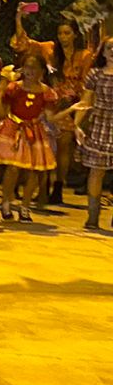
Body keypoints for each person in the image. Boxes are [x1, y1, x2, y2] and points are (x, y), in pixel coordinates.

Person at [0, 53, 60, 223]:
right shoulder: (14, 88)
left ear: (42, 70)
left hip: (34, 130)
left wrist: (71, 111)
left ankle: (25, 206)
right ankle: (6, 203)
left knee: (33, 170)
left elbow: (50, 117)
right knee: (13, 168)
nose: (30, 70)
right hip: (14, 129)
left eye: (34, 67)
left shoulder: (47, 92)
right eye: (27, 66)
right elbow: (2, 111)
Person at [72, 34, 113, 230]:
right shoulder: (95, 74)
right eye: (109, 48)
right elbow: (85, 102)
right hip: (100, 124)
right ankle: (93, 215)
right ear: (103, 52)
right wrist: (77, 126)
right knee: (96, 171)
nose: (112, 52)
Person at [50, 21, 92, 205]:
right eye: (60, 33)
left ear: (75, 34)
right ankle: (46, 185)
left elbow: (87, 87)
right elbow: (24, 43)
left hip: (77, 104)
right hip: (57, 104)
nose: (63, 37)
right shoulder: (54, 55)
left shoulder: (84, 56)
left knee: (65, 142)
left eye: (67, 33)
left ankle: (58, 185)